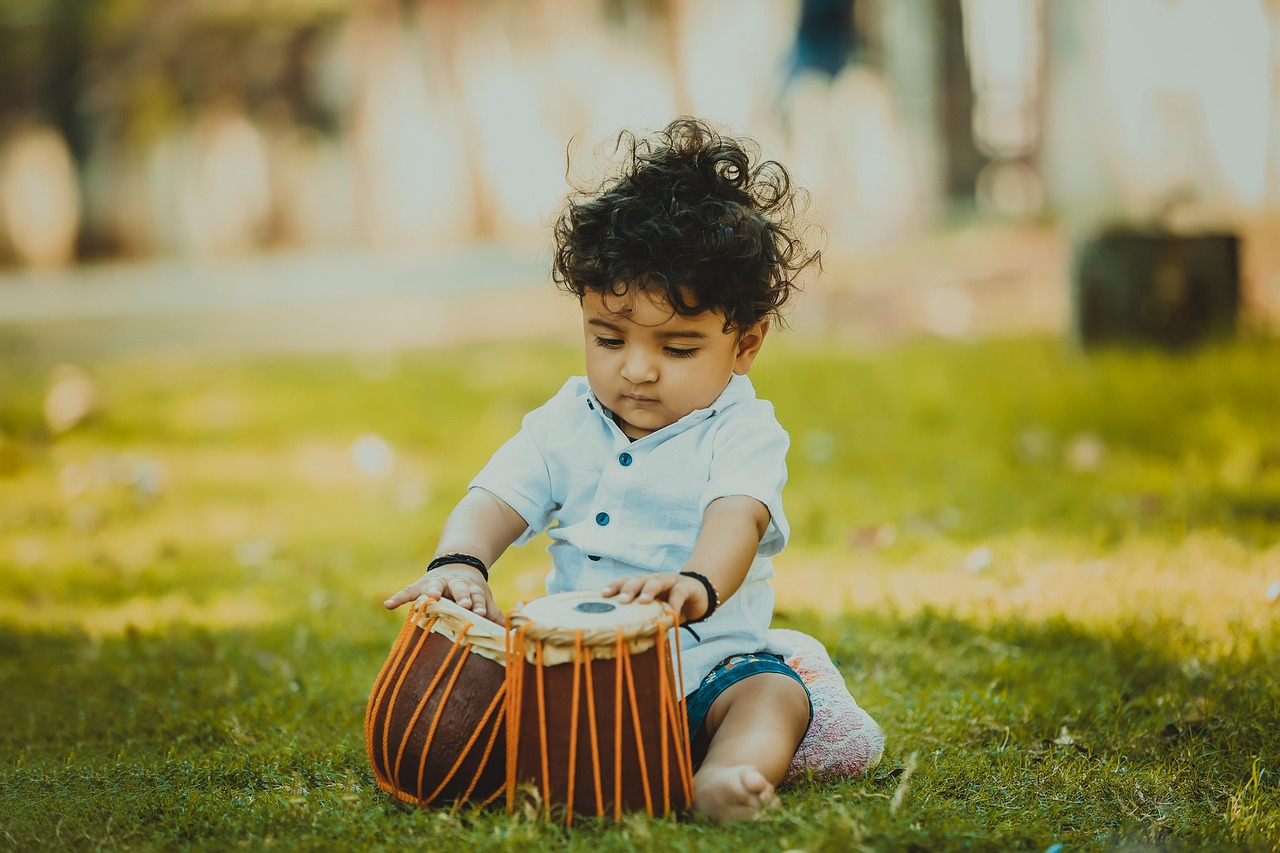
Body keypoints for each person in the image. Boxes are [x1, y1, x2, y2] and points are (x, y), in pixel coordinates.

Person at [385, 117, 829, 822]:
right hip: (572, 679)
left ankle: (727, 774)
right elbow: (497, 495)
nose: (637, 369)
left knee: (776, 693)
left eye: (679, 347)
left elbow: (736, 517)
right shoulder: (568, 418)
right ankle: (534, 764)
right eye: (607, 337)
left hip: (704, 676)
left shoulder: (743, 429)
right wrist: (461, 560)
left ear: (744, 345)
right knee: (476, 696)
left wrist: (694, 582)